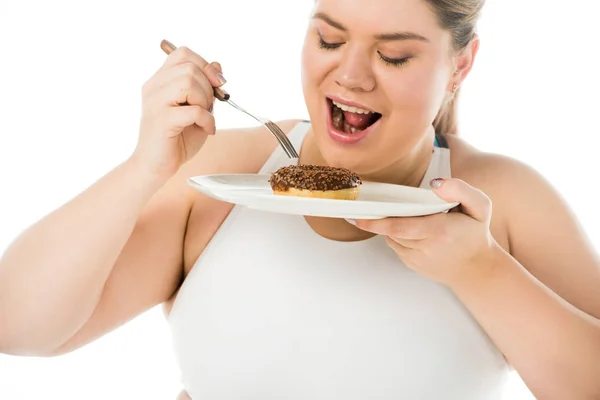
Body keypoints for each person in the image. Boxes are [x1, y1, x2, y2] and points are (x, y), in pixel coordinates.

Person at [1, 0, 599, 398]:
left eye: (394, 55)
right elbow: (18, 326)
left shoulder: (508, 200)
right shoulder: (215, 176)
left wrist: (483, 271)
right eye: (329, 39)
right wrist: (141, 170)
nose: (352, 76)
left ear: (461, 64)